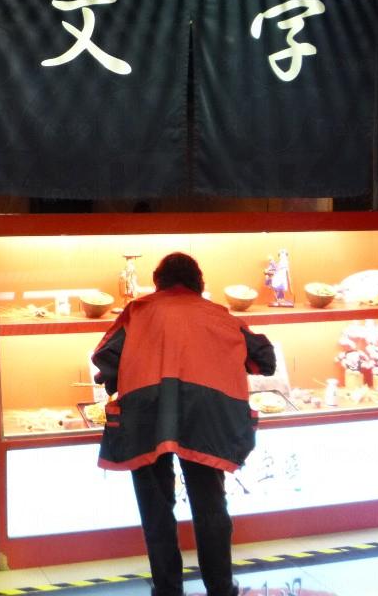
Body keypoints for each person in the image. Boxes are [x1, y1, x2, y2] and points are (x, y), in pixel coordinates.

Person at [92, 252, 276, 596]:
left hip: (146, 415)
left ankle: (167, 589)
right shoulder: (221, 316)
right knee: (210, 505)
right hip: (207, 417)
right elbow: (265, 360)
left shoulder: (138, 312)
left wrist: (117, 378)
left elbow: (104, 357)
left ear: (158, 282)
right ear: (199, 283)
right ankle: (220, 588)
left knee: (156, 509)